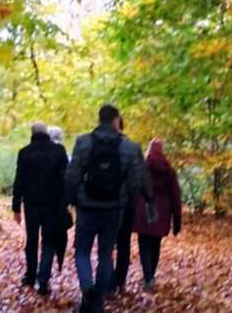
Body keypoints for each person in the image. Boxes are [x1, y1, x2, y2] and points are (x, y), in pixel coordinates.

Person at [65, 104, 147, 313]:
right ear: (116, 120)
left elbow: (72, 175)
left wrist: (72, 200)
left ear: (99, 119)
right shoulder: (129, 147)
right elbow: (135, 182)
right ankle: (98, 303)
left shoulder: (83, 142)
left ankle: (87, 288)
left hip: (86, 206)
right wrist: (127, 203)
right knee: (106, 254)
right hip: (113, 208)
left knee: (81, 251)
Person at [12, 121, 68, 296]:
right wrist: (65, 204)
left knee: (32, 240)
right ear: (46, 133)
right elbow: (65, 180)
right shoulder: (58, 152)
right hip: (53, 205)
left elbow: (19, 181)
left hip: (31, 205)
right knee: (48, 241)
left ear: (32, 134)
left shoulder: (24, 152)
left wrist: (16, 207)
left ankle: (30, 276)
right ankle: (43, 280)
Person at [132, 138, 182, 292]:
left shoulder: (142, 168)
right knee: (155, 245)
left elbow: (134, 189)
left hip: (144, 209)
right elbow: (175, 197)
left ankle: (148, 277)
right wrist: (177, 220)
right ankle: (150, 276)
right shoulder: (169, 171)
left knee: (144, 244)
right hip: (162, 212)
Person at [109, 117, 138, 295]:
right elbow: (136, 178)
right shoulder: (131, 148)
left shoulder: (95, 144)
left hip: (103, 203)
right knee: (123, 244)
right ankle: (120, 281)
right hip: (126, 204)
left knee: (106, 244)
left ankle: (108, 282)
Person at [47, 125, 73, 272]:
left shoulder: (44, 153)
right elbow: (70, 176)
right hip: (62, 199)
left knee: (48, 230)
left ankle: (48, 262)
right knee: (61, 229)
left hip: (47, 199)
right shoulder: (66, 154)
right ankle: (60, 260)